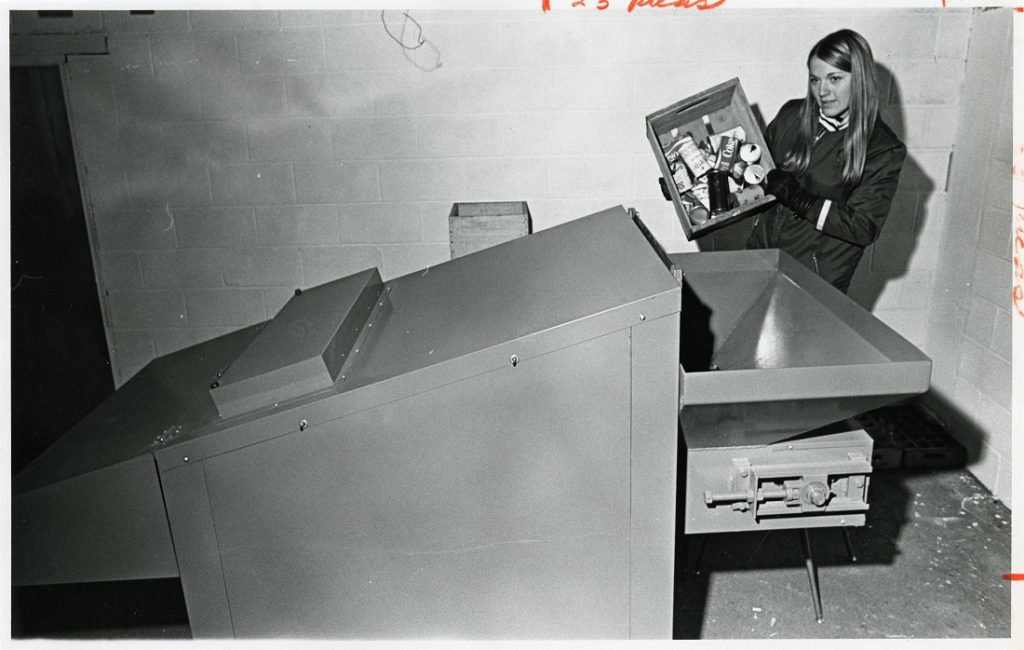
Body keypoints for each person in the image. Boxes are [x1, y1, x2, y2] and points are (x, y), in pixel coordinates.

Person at [746, 29, 906, 294]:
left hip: (815, 283)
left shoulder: (882, 149)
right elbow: (755, 175)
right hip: (760, 261)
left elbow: (863, 227)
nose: (823, 91)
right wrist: (698, 185)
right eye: (815, 79)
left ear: (860, 80)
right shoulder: (791, 115)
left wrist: (801, 200)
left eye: (834, 79)